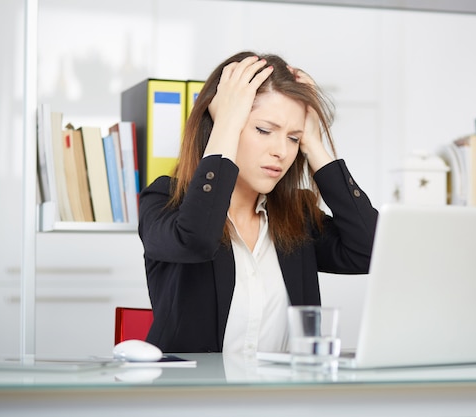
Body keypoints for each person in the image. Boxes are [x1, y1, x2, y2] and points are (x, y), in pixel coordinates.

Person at [138, 51, 378, 355]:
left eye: (293, 138)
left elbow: (370, 251)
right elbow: (196, 239)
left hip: (281, 399)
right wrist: (224, 123)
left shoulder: (295, 216)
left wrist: (315, 143)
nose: (282, 151)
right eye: (264, 130)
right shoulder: (164, 200)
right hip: (192, 399)